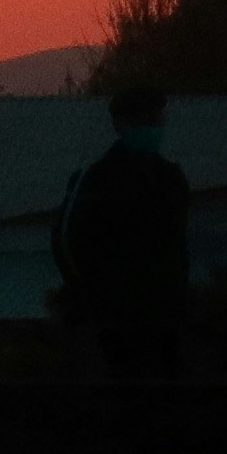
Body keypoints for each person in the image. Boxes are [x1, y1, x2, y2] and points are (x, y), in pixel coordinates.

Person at [54, 84, 192, 381]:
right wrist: (97, 301)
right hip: (113, 327)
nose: (150, 128)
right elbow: (66, 243)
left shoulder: (171, 178)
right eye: (141, 121)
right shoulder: (93, 180)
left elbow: (178, 246)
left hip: (164, 321)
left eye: (154, 120)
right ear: (120, 125)